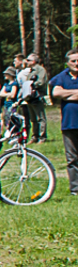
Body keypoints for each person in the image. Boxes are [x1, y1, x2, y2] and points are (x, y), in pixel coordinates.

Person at [49, 49, 78, 196]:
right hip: (69, 123)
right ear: (67, 62)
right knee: (72, 158)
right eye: (73, 61)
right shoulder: (62, 76)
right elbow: (56, 93)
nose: (76, 63)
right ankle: (75, 189)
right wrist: (76, 93)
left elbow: (62, 93)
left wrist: (67, 94)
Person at [24, 53, 49, 142]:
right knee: (33, 118)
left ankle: (42, 137)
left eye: (28, 60)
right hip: (30, 97)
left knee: (40, 118)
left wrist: (31, 84)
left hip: (37, 96)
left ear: (34, 61)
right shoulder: (31, 71)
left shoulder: (40, 69)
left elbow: (41, 82)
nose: (26, 62)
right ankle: (35, 136)